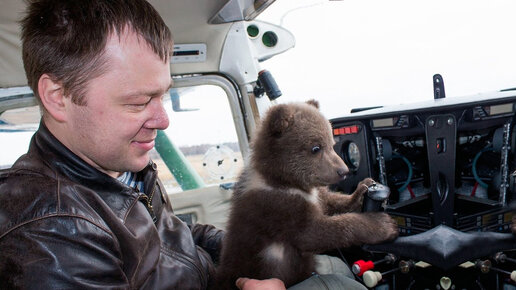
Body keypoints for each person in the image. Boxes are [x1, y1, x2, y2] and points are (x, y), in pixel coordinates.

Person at [0, 0, 367, 289]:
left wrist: (249, 243)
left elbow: (176, 236)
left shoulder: (121, 167)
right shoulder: (51, 232)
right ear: (58, 96)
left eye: (163, 96)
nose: (162, 120)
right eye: (138, 102)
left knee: (334, 266)